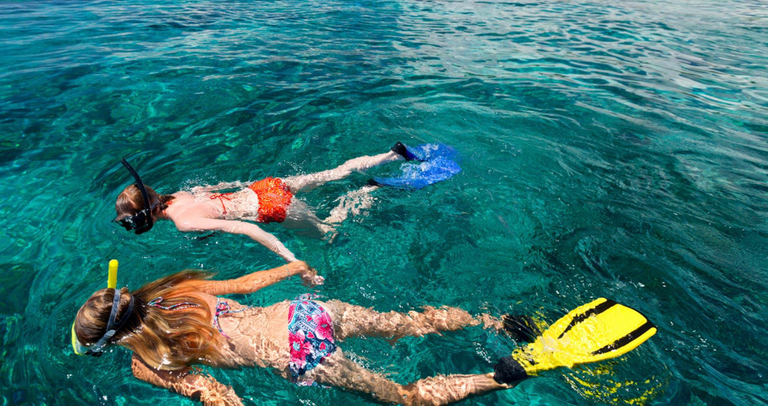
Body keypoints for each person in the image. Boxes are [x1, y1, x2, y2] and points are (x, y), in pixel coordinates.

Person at [72, 262, 656, 406]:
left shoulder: (146, 364)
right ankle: (498, 321)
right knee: (407, 325)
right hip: (308, 311)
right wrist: (294, 269)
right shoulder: (176, 296)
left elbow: (221, 398)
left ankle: (506, 372)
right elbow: (249, 285)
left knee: (404, 399)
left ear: (109, 343)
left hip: (297, 354)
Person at [114, 144, 417, 283]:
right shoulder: (178, 195)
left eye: (132, 221)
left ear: (147, 215)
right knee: (333, 173)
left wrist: (294, 263)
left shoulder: (183, 222)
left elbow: (249, 230)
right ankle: (390, 155)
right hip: (266, 187)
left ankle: (367, 191)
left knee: (330, 232)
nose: (133, 225)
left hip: (271, 208)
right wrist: (247, 187)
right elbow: (224, 187)